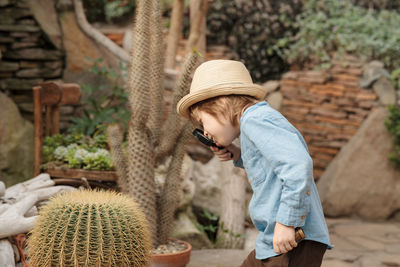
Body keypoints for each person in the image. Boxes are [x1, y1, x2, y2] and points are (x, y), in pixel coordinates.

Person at [176, 60, 331, 267]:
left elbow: (298, 165)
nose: (205, 132)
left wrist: (287, 222)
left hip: (294, 238)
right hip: (277, 239)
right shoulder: (253, 123)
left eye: (203, 122)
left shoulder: (255, 120)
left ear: (221, 104)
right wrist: (238, 155)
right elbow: (270, 166)